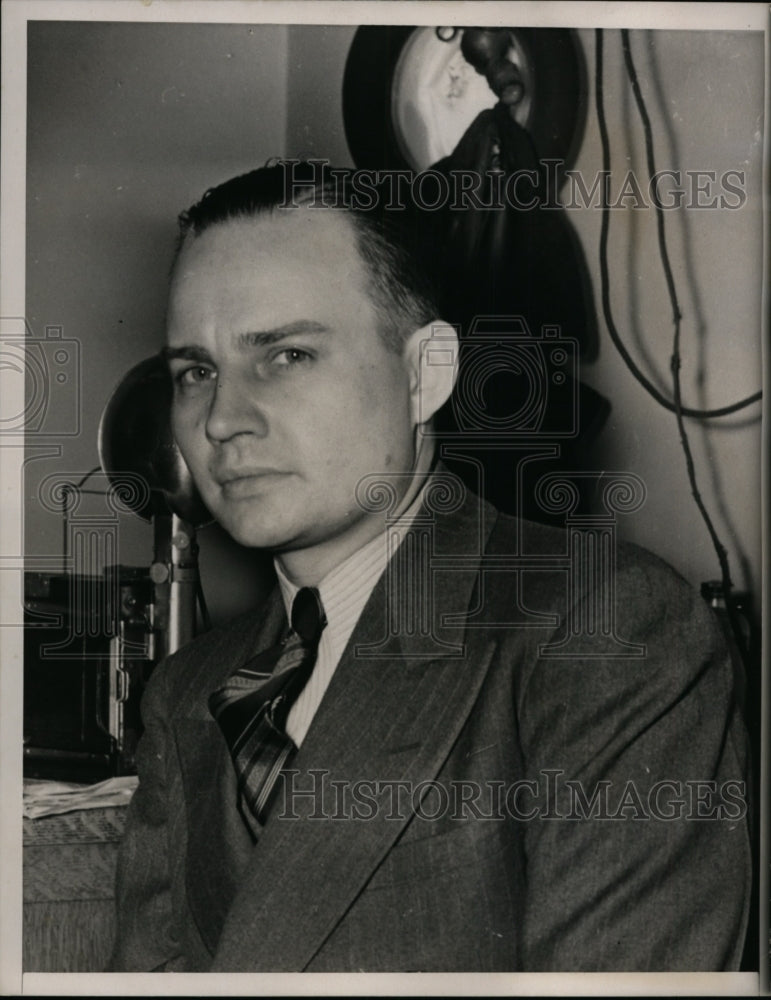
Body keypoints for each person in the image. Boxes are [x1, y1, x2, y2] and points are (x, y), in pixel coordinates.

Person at [109, 161, 751, 973]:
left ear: (425, 374)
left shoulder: (604, 632)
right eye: (195, 371)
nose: (223, 419)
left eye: (287, 355)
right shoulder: (188, 691)